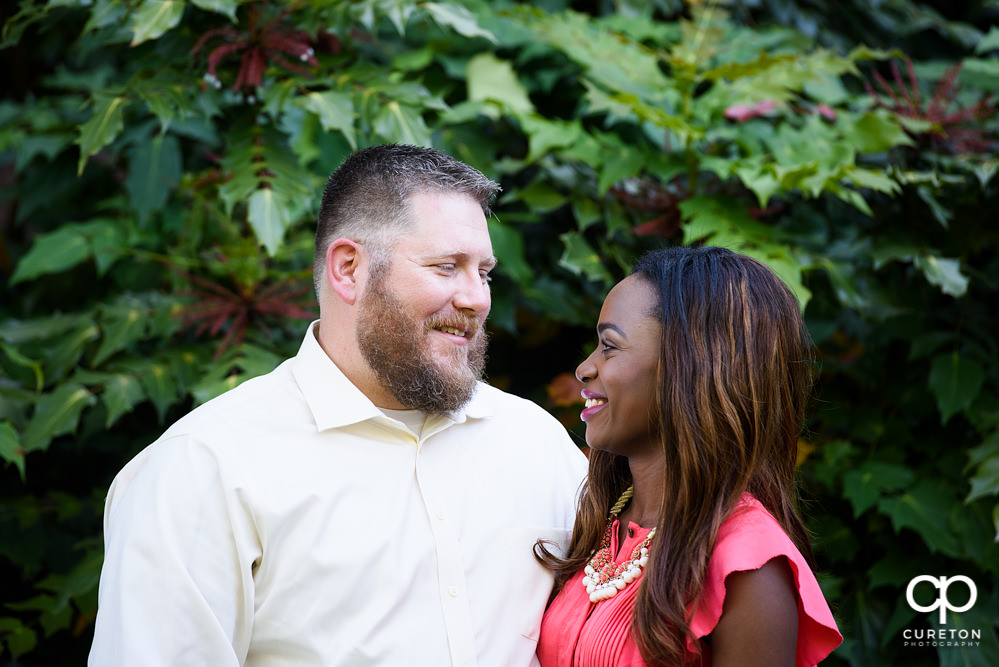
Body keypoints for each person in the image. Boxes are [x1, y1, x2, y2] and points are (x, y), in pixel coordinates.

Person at [89, 144, 588, 666]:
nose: (477, 298)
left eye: (484, 272)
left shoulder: (536, 442)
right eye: (446, 267)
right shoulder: (205, 467)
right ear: (348, 269)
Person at [535, 246, 843, 667]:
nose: (585, 369)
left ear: (688, 366)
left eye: (609, 346)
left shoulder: (747, 566)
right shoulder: (600, 522)